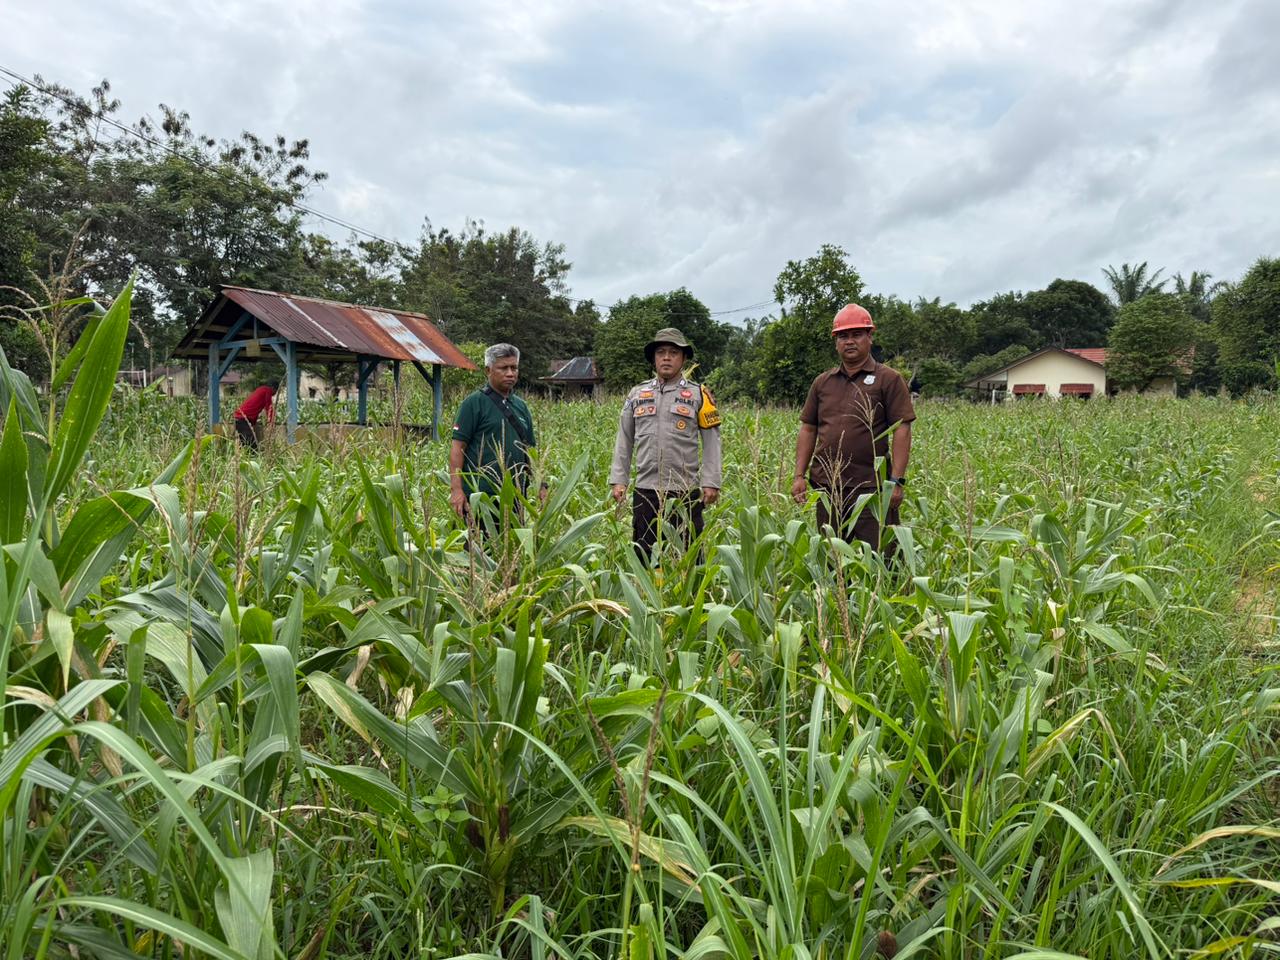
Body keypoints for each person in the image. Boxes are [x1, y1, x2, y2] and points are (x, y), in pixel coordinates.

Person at [791, 303, 914, 552]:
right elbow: (808, 428)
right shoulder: (823, 383)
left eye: (857, 334)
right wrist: (799, 475)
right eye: (843, 336)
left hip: (871, 489)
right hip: (828, 487)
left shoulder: (888, 379)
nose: (850, 341)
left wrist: (896, 481)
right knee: (832, 558)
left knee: (880, 558)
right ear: (836, 342)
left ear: (869, 337)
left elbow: (902, 429)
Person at [609, 327, 722, 565]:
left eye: (673, 352)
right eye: (661, 352)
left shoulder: (698, 395)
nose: (667, 357)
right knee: (644, 556)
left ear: (683, 359)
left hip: (685, 491)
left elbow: (712, 442)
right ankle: (647, 600)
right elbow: (624, 438)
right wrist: (619, 479)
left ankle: (692, 600)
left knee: (691, 558)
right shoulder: (637, 394)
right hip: (646, 489)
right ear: (654, 358)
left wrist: (711, 482)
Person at [449, 344, 546, 533]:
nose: (510, 373)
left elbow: (530, 451)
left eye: (514, 368)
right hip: (480, 497)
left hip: (515, 497)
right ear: (488, 370)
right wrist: (457, 490)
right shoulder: (473, 403)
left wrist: (540, 484)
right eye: (504, 368)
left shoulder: (521, 407)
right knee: (475, 556)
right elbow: (457, 448)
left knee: (510, 554)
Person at [232, 379, 278, 448]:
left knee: (246, 445)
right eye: (276, 391)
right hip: (243, 419)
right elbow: (269, 408)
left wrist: (253, 424)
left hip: (240, 418)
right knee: (252, 446)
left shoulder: (260, 389)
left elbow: (255, 409)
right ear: (273, 388)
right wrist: (271, 423)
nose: (274, 394)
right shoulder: (268, 390)